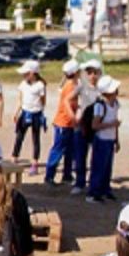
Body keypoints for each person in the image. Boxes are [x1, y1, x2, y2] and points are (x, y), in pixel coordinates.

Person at [44, 59, 82, 188]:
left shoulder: (72, 84)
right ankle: (49, 175)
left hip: (69, 124)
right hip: (63, 123)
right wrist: (74, 117)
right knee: (58, 149)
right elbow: (68, 104)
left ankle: (67, 175)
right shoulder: (70, 86)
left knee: (69, 151)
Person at [85, 77, 122, 202]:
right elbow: (95, 125)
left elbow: (115, 122)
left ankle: (105, 189)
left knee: (107, 167)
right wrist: (112, 125)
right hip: (101, 140)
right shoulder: (100, 106)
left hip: (110, 140)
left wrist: (117, 139)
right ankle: (93, 192)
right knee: (98, 167)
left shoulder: (115, 104)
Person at [70, 60, 103, 194]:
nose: (92, 76)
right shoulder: (82, 86)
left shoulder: (102, 89)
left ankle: (95, 182)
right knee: (80, 155)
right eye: (89, 73)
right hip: (82, 124)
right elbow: (68, 99)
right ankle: (80, 182)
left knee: (96, 156)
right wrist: (73, 114)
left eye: (95, 73)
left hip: (96, 125)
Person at [12, 61, 47, 163]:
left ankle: (35, 160)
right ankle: (15, 156)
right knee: (19, 135)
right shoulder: (23, 84)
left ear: (32, 73)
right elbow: (20, 99)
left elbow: (43, 100)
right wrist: (16, 112)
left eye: (26, 73)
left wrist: (40, 111)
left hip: (36, 114)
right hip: (25, 112)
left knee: (36, 137)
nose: (24, 75)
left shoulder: (40, 85)